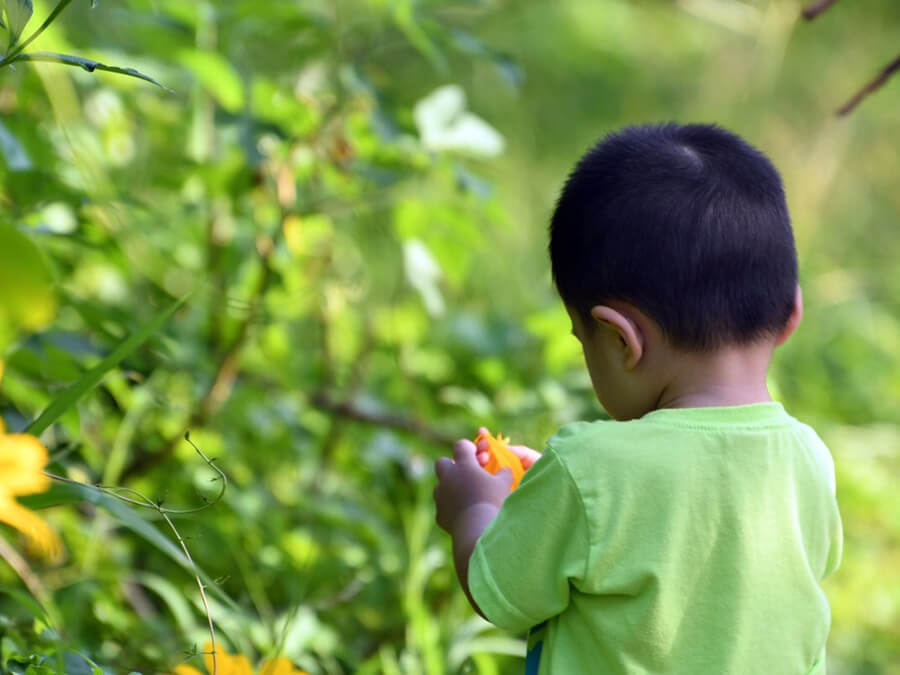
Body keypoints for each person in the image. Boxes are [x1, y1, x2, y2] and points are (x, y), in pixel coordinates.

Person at [433, 123, 843, 674]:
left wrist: (475, 509)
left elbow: (499, 591)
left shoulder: (588, 470)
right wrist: (550, 496)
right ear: (790, 313)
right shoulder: (809, 461)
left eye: (584, 342)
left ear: (622, 339)